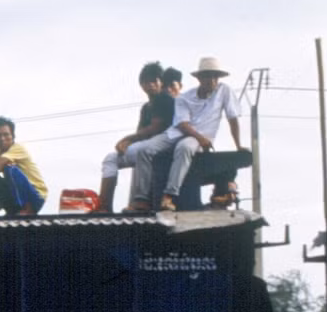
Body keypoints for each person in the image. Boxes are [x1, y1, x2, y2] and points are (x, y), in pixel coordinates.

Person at [130, 57, 243, 212]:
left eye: (215, 76)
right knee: (144, 150)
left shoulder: (224, 91)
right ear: (199, 78)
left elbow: (233, 118)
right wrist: (200, 138)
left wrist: (239, 146)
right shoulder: (185, 98)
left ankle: (169, 195)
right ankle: (142, 199)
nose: (211, 80)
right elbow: (182, 124)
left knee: (184, 148)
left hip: (196, 138)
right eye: (207, 76)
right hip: (181, 133)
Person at [96, 62, 175, 212]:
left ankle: (141, 201)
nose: (151, 85)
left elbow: (156, 127)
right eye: (147, 81)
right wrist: (128, 143)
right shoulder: (146, 107)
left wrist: (127, 139)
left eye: (154, 80)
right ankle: (104, 206)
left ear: (161, 82)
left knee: (140, 151)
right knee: (111, 158)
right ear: (141, 85)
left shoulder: (165, 99)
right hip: (146, 146)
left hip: (164, 146)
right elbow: (141, 132)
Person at [0, 116, 48, 216]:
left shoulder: (18, 148)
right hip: (16, 198)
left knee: (9, 168)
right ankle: (10, 209)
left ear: (13, 136)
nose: (2, 139)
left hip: (35, 196)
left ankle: (28, 209)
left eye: (6, 134)